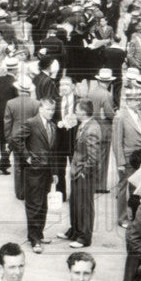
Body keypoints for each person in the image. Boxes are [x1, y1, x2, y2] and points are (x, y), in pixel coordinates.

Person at [11, 96, 58, 253]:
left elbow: (53, 151)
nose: (51, 112)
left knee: (43, 204)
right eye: (48, 109)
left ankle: (39, 233)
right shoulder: (32, 123)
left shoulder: (52, 126)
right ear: (41, 109)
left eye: (53, 110)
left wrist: (55, 172)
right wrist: (27, 157)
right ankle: (34, 239)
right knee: (34, 205)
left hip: (46, 171)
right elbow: (15, 140)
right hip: (34, 172)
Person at [61, 100, 100, 248]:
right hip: (77, 171)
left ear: (83, 112)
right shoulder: (84, 125)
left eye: (77, 110)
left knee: (84, 205)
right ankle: (75, 231)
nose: (75, 112)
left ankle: (84, 237)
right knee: (75, 203)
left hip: (83, 174)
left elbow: (94, 157)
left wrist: (84, 172)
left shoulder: (91, 129)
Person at [111, 88, 141, 228]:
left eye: (139, 99)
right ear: (128, 101)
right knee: (123, 187)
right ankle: (122, 218)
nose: (139, 102)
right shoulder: (120, 116)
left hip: (140, 157)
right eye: (135, 100)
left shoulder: (139, 113)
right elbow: (116, 141)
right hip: (127, 158)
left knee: (137, 187)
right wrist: (120, 162)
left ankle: (135, 215)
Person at [3, 76, 39, 201]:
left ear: (18, 90)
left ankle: (19, 193)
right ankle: (30, 191)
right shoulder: (36, 104)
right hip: (31, 138)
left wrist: (8, 140)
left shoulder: (11, 103)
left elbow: (7, 123)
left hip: (15, 136)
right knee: (30, 164)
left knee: (18, 166)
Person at [86, 68, 116, 185]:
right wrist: (115, 115)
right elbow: (109, 113)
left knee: (93, 155)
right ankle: (100, 185)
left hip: (92, 125)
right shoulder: (107, 94)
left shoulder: (92, 92)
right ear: (109, 82)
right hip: (103, 128)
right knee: (103, 158)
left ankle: (92, 182)